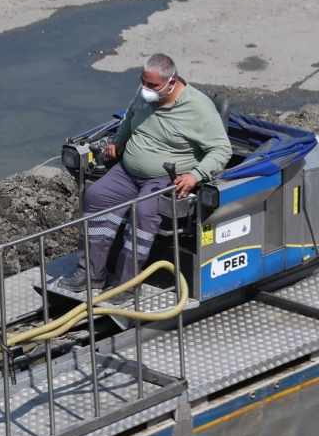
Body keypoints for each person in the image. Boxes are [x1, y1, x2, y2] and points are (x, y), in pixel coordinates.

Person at [60, 53, 231, 292]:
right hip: (128, 172)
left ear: (171, 82)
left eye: (152, 85)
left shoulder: (199, 109)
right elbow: (129, 119)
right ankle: (90, 274)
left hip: (163, 178)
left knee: (143, 212)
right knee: (95, 197)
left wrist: (196, 175)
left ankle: (127, 285)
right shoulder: (144, 96)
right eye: (143, 81)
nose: (145, 88)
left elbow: (222, 149)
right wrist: (119, 141)